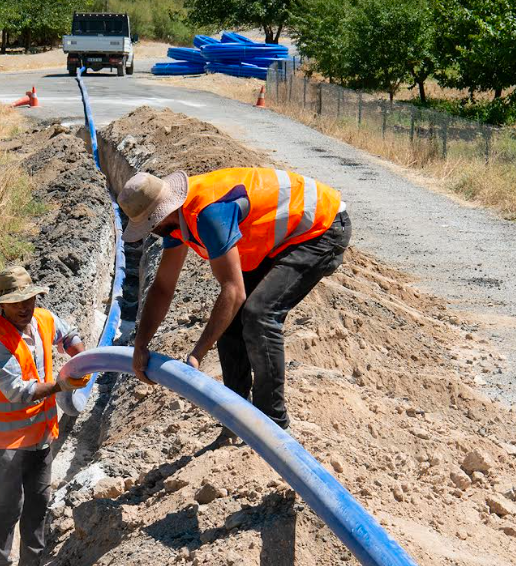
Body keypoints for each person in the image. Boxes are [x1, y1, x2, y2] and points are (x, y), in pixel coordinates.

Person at [119, 168, 351, 432]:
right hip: (281, 236)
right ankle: (236, 423)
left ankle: (272, 427)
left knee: (259, 315)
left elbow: (234, 290)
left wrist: (197, 354)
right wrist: (141, 344)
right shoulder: (176, 222)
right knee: (229, 323)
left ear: (161, 215)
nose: (153, 232)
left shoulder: (207, 213)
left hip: (321, 227)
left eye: (151, 225)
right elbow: (163, 286)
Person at [0, 265, 89, 566]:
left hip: (40, 435)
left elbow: (68, 334)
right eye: (15, 302)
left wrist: (79, 353)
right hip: (5, 442)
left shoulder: (43, 319)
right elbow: (19, 392)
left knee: (38, 503)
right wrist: (63, 384)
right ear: (1, 306)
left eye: (29, 299)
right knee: (10, 504)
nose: (24, 307)